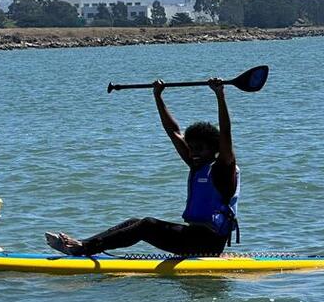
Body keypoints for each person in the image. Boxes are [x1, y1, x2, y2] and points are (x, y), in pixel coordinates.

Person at [46, 78, 239, 257]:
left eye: (200, 149)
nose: (194, 153)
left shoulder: (223, 168)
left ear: (214, 149)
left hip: (209, 243)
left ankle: (83, 249)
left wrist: (220, 95)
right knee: (134, 223)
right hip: (192, 237)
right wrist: (158, 96)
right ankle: (82, 244)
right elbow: (173, 131)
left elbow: (226, 135)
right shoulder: (196, 166)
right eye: (192, 148)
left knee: (147, 225)